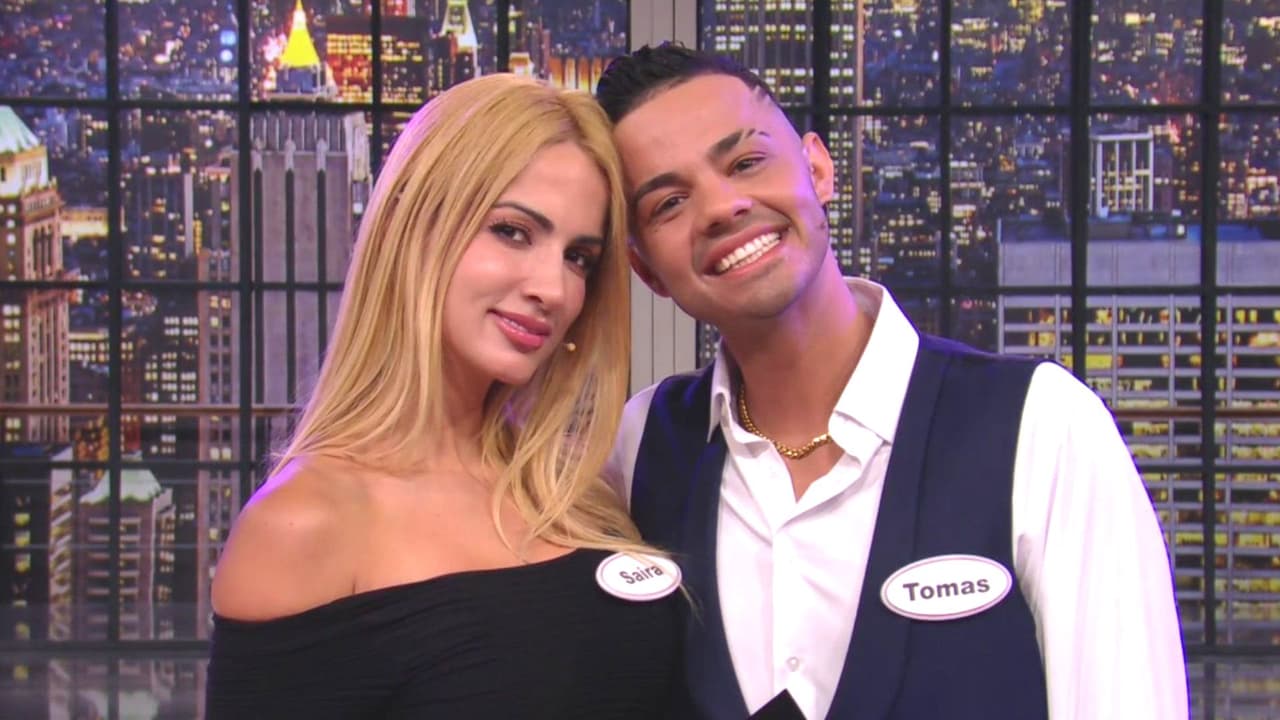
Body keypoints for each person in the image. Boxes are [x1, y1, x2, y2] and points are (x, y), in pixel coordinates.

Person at [597, 43, 1188, 719]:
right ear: (645, 269)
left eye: (746, 162)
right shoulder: (638, 448)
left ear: (818, 169)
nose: (722, 206)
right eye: (670, 203)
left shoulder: (1043, 427)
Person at [205, 74, 682, 719]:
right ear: (413, 228)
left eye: (579, 258)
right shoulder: (303, 525)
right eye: (513, 231)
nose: (554, 289)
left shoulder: (578, 488)